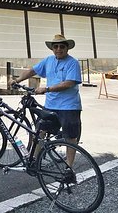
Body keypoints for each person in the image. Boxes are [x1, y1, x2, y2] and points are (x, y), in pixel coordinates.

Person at [9, 33, 82, 164]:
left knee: (70, 138)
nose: (58, 49)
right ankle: (35, 161)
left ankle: (69, 168)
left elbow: (69, 83)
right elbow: (32, 71)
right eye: (56, 46)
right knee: (40, 131)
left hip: (69, 106)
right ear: (52, 48)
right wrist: (17, 80)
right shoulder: (48, 60)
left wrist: (46, 89)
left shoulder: (73, 63)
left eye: (61, 46)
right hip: (51, 104)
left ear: (67, 48)